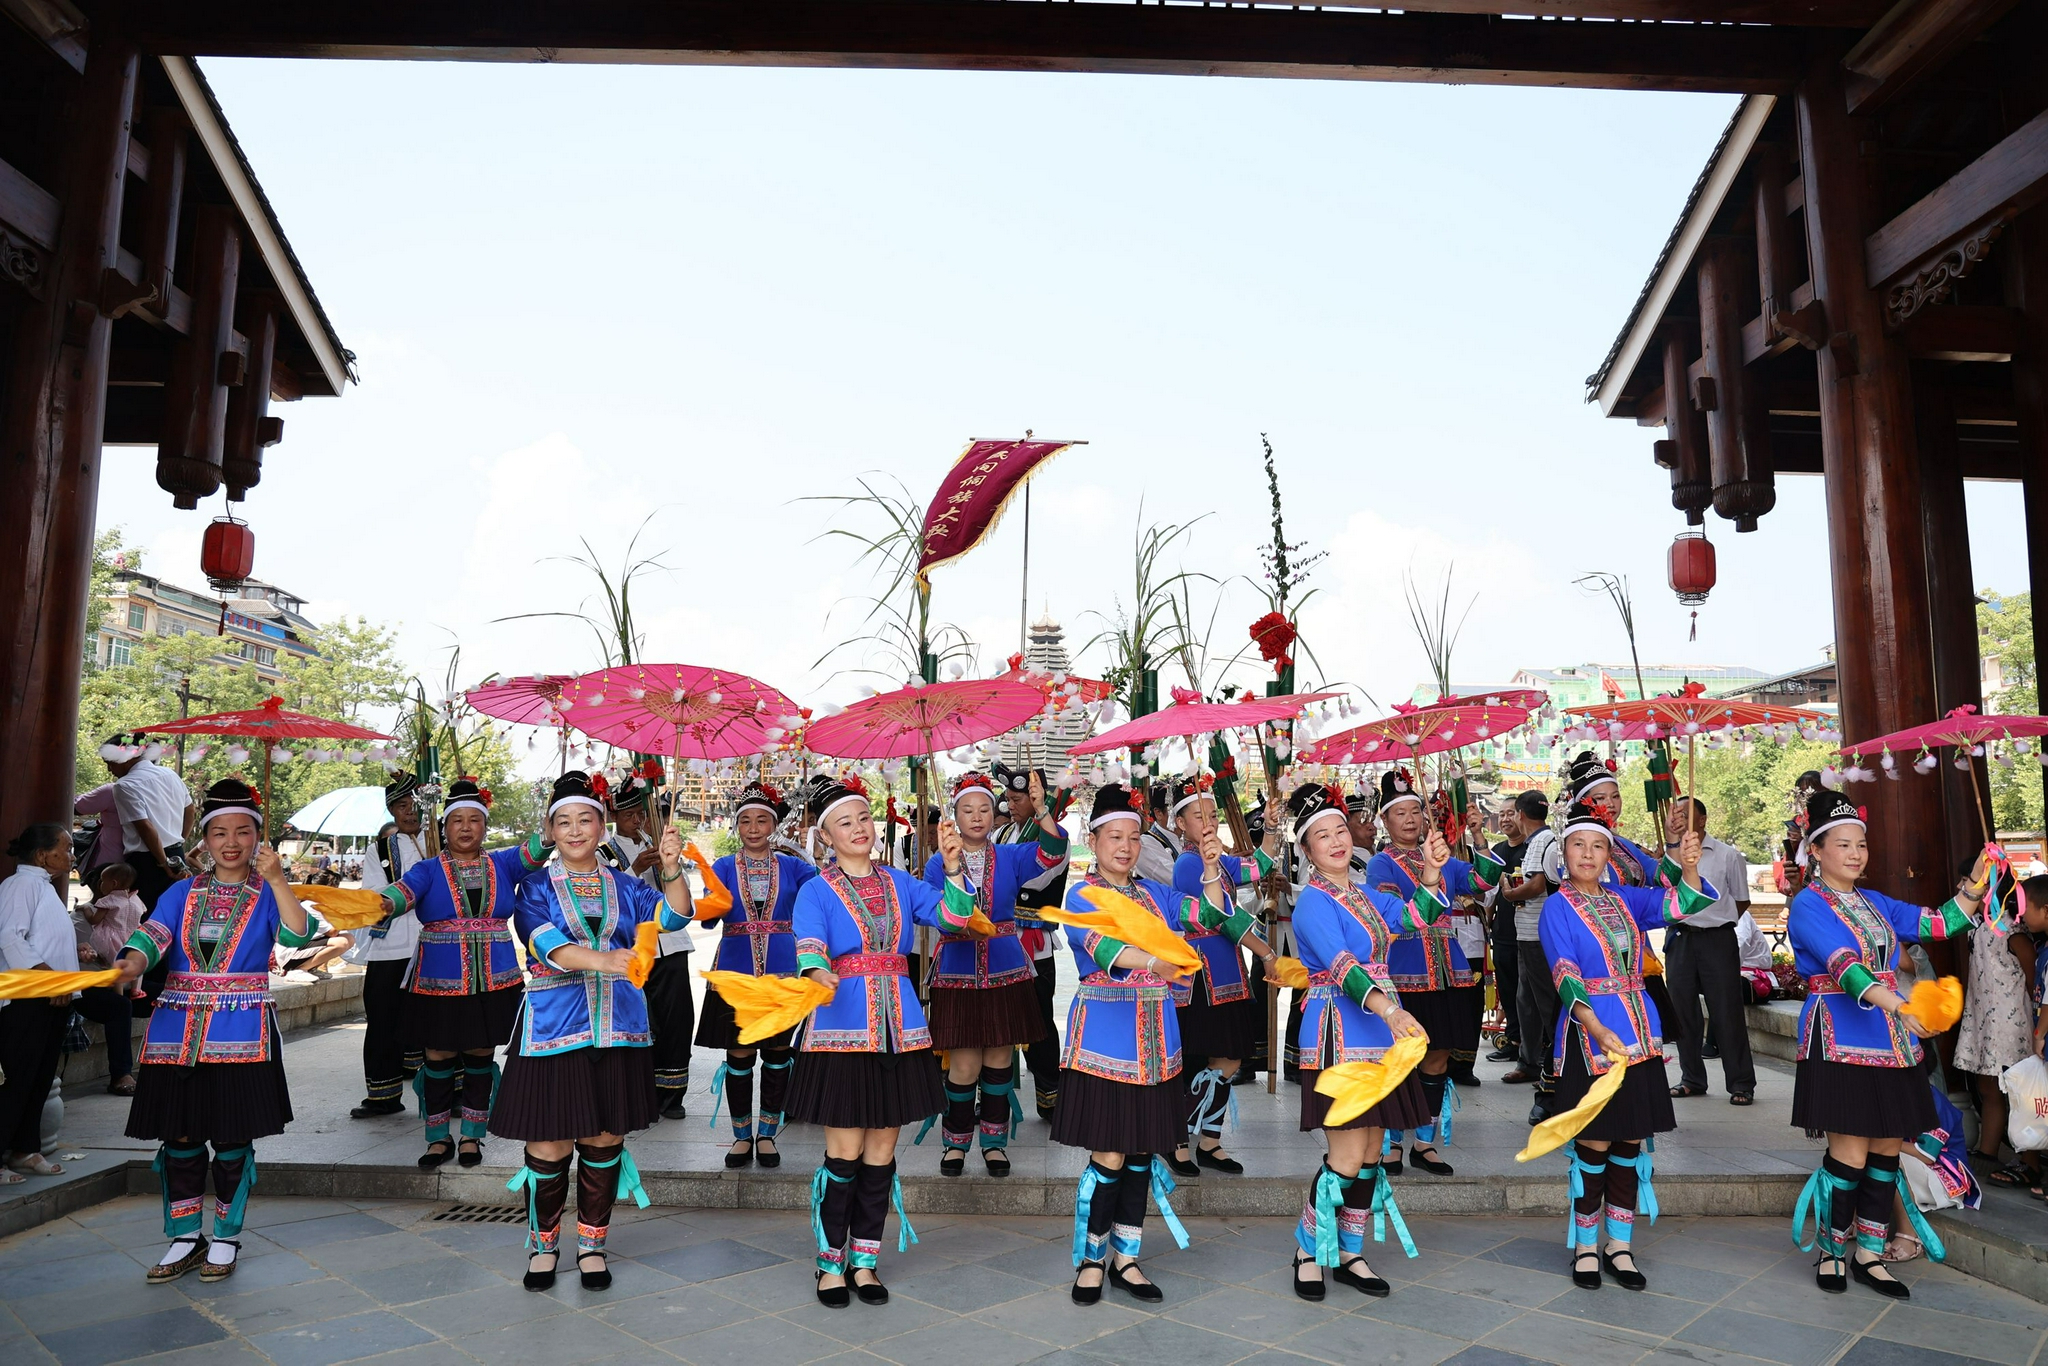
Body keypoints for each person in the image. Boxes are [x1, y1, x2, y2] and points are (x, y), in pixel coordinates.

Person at [1055, 784, 1270, 1307]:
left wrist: (1215, 868)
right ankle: (1091, 1258)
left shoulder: (1154, 894)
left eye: (1133, 837)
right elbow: (1103, 945)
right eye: (1114, 837)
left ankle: (1126, 1258)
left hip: (1156, 1043)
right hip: (1105, 1040)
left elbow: (1208, 915)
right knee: (1107, 1155)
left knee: (1140, 1155)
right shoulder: (1082, 894)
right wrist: (1153, 960)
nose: (1125, 847)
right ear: (1094, 839)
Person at [112, 779, 322, 1282]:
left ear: (258, 838)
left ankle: (226, 1237)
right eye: (220, 832)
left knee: (231, 1141)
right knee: (180, 1139)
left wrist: (277, 880)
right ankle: (185, 1236)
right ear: (204, 840)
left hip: (241, 1027)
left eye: (243, 831)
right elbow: (153, 935)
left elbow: (298, 933)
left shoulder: (268, 892)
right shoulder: (182, 891)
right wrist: (130, 963)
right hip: (177, 1027)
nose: (231, 841)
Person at [1787, 787, 1991, 1300]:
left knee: (1883, 1153)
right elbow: (1847, 971)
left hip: (1891, 1039)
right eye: (1843, 845)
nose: (1856, 854)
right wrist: (1904, 1006)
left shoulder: (1875, 902)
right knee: (1849, 1155)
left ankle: (1870, 1254)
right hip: (1838, 1035)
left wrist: (1975, 883)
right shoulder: (1807, 905)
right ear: (1815, 850)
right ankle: (1833, 1251)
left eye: (1861, 845)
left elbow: (1941, 922)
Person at [492, 771, 692, 1295]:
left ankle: (593, 1245)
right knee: (550, 1143)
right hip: (555, 1027)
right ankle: (543, 1246)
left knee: (604, 1142)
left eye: (586, 820)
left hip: (619, 1028)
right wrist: (605, 959)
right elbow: (545, 945)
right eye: (564, 821)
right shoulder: (532, 887)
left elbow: (674, 917)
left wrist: (672, 869)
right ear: (551, 831)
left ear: (602, 828)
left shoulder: (627, 884)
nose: (576, 829)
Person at [788, 774, 982, 1308]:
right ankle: (831, 1264)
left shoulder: (901, 882)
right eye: (844, 822)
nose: (858, 829)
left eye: (863, 818)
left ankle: (865, 1260)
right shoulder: (815, 890)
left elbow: (954, 918)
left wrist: (954, 865)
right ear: (825, 835)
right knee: (845, 1152)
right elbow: (808, 948)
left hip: (900, 1030)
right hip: (841, 1030)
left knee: (882, 1152)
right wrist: (816, 973)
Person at [1540, 796, 1715, 1292]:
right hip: (1590, 1032)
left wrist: (1690, 867)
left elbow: (1687, 903)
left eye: (1599, 846)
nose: (1589, 854)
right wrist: (1594, 1026)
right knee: (1594, 1144)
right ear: (1563, 854)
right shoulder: (1557, 906)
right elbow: (1565, 974)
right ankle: (1584, 1245)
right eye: (1579, 845)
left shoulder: (1624, 900)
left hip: (1639, 1031)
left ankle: (1619, 1245)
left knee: (1630, 1144)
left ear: (1610, 854)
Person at [1286, 783, 1449, 1301]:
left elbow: (1416, 917)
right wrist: (1391, 1008)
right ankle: (1308, 1249)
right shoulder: (1312, 902)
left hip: (1381, 1031)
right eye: (1321, 835)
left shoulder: (1363, 895)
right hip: (1340, 1028)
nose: (1334, 840)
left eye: (1340, 830)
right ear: (1306, 849)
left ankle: (1350, 1252)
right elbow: (1343, 967)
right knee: (1348, 1153)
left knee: (1375, 1149)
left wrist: (1430, 872)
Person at [365, 779, 548, 1169]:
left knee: (482, 1054)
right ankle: (436, 1138)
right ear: (443, 828)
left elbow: (536, 851)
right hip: (439, 983)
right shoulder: (428, 869)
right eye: (457, 821)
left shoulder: (503, 862)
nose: (466, 828)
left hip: (495, 980)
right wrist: (377, 905)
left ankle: (472, 1137)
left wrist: (551, 826)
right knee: (439, 1055)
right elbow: (402, 894)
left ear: (485, 826)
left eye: (474, 820)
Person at [921, 770, 1067, 1177]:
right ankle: (955, 1142)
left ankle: (994, 1142)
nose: (977, 816)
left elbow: (1052, 854)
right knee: (965, 1064)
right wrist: (952, 870)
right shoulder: (937, 864)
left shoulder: (1011, 853)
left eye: (985, 807)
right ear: (954, 815)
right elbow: (943, 918)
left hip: (1005, 965)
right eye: (967, 809)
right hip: (958, 970)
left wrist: (1042, 811)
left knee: (1000, 1061)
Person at [1366, 769, 1502, 1176]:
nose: (1409, 819)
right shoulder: (1380, 864)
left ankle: (1423, 1143)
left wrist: (1478, 837)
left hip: (1448, 969)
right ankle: (1391, 1143)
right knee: (1402, 1058)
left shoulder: (1446, 860)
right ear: (1385, 822)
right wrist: (1430, 873)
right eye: (1399, 813)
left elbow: (1482, 881)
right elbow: (1392, 914)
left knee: (1438, 1055)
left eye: (1415, 811)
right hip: (1404, 970)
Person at [1165, 774, 1281, 1178]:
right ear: (1181, 824)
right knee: (1197, 1058)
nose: (1209, 821)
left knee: (1228, 1058)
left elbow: (1259, 864)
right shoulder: (1187, 864)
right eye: (1198, 815)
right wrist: (1265, 951)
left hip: (1228, 973)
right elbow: (1220, 918)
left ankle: (1209, 1140)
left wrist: (1268, 825)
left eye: (1213, 813)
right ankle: (1178, 1138)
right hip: (1200, 977)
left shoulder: (1220, 861)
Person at [699, 782, 817, 1169]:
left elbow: (819, 903)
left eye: (761, 819)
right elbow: (710, 915)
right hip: (736, 974)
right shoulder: (721, 866)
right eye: (745, 820)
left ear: (773, 825)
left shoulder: (796, 866)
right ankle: (740, 1136)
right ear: (737, 827)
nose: (753, 827)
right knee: (739, 1054)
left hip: (783, 973)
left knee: (778, 1054)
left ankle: (767, 1134)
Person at [602, 773, 694, 1119]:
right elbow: (608, 894)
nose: (636, 821)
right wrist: (634, 868)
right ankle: (643, 1092)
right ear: (613, 817)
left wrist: (671, 863)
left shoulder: (655, 839)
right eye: (628, 816)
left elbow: (680, 892)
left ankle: (673, 1095)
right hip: (636, 946)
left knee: (676, 1018)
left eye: (640, 814)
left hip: (672, 942)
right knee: (644, 1020)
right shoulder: (604, 851)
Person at [1662, 797, 1759, 1106]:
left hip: (1717, 939)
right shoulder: (1671, 854)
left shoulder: (1728, 855)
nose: (1680, 819)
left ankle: (1741, 1083)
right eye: (1676, 813)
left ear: (1702, 820)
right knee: (1682, 1012)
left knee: (1726, 1011)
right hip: (1680, 938)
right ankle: (1691, 1078)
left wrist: (1715, 921)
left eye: (1686, 814)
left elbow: (1741, 901)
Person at [0, 824, 82, 1183]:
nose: (71, 854)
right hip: (27, 997)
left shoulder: (43, 887)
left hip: (52, 997)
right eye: (65, 848)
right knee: (18, 1079)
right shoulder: (19, 885)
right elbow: (9, 937)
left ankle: (24, 1149)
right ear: (41, 854)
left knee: (39, 1077)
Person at [1953, 861, 2038, 1190]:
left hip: (2010, 1022)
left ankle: (2030, 1161)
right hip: (1983, 1018)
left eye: (1970, 880)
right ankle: (1987, 1152)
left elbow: (2032, 977)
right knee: (1988, 1087)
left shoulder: (2011, 929)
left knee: (2018, 1091)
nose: (1964, 885)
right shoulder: (1975, 925)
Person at [349, 777, 427, 1118]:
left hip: (435, 944)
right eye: (401, 806)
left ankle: (451, 1096)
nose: (409, 812)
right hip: (390, 946)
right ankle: (383, 1095)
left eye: (415, 805)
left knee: (440, 1019)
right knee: (382, 1018)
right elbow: (375, 896)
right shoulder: (378, 850)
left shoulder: (444, 842)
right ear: (392, 810)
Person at [994, 764, 1067, 1121]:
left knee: (1038, 1021)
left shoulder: (1053, 835)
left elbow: (1041, 875)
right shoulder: (1004, 833)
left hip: (1034, 942)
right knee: (999, 1020)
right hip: (1001, 942)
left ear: (1037, 797)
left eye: (1017, 797)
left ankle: (1050, 1093)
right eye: (1007, 798)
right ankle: (994, 1095)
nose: (1010, 804)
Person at [101, 734, 195, 914]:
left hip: (149, 862)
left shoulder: (124, 785)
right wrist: (179, 840)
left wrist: (163, 863)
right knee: (175, 914)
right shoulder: (170, 774)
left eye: (110, 763)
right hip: (176, 853)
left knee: (148, 919)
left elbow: (145, 827)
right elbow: (190, 810)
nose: (109, 769)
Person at [75, 861, 146, 1094]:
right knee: (120, 1006)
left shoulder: (128, 908)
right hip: (87, 986)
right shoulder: (79, 918)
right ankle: (121, 1074)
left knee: (167, 992)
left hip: (123, 981)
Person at [1510, 794, 1561, 1113]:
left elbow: (1536, 885)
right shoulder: (1545, 839)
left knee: (1547, 1005)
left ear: (1519, 814)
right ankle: (1529, 1061)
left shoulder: (1542, 840)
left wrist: (1508, 892)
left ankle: (1555, 1068)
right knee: (1526, 1001)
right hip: (1529, 933)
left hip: (1537, 934)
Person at [1485, 797, 1539, 1071]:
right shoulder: (1496, 850)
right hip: (1503, 930)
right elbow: (1491, 893)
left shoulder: (1533, 849)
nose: (1506, 819)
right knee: (1507, 988)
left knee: (1526, 992)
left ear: (1521, 815)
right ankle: (1513, 1039)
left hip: (1529, 931)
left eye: (1510, 813)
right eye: (1501, 814)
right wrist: (1488, 919)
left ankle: (1532, 1048)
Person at [73, 779, 127, 882]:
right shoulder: (158, 788)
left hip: (110, 856)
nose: (110, 768)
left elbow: (79, 806)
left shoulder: (112, 790)